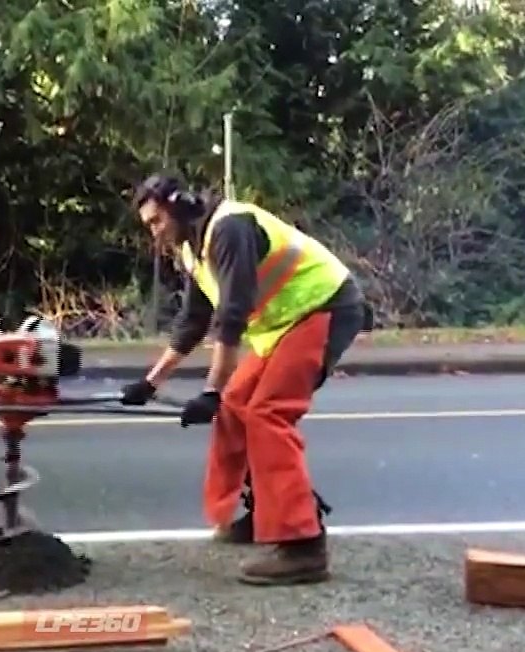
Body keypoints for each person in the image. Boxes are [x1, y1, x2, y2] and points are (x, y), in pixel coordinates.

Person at [121, 173, 371, 585]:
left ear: (180, 207)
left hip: (324, 307)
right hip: (285, 325)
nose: (155, 234)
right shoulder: (192, 250)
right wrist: (151, 383)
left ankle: (303, 546)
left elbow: (231, 316)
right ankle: (266, 515)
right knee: (236, 407)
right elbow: (194, 321)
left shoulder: (230, 229)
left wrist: (209, 390)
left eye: (156, 222)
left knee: (267, 414)